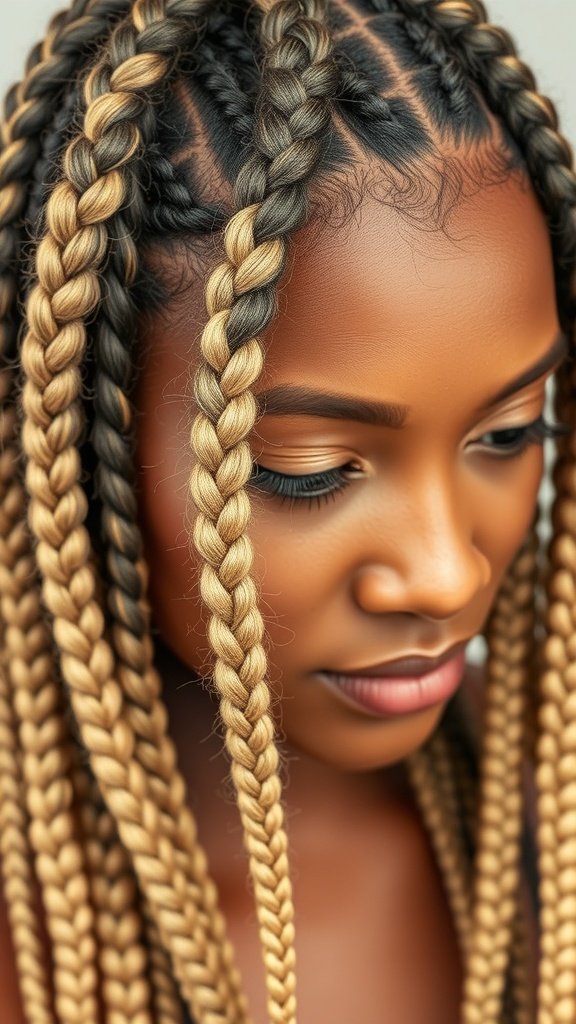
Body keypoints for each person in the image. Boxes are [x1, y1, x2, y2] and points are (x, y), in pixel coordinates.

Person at [0, 0, 574, 1021]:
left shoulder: (551, 836)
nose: (448, 574)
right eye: (311, 472)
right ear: (78, 438)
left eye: (508, 433)